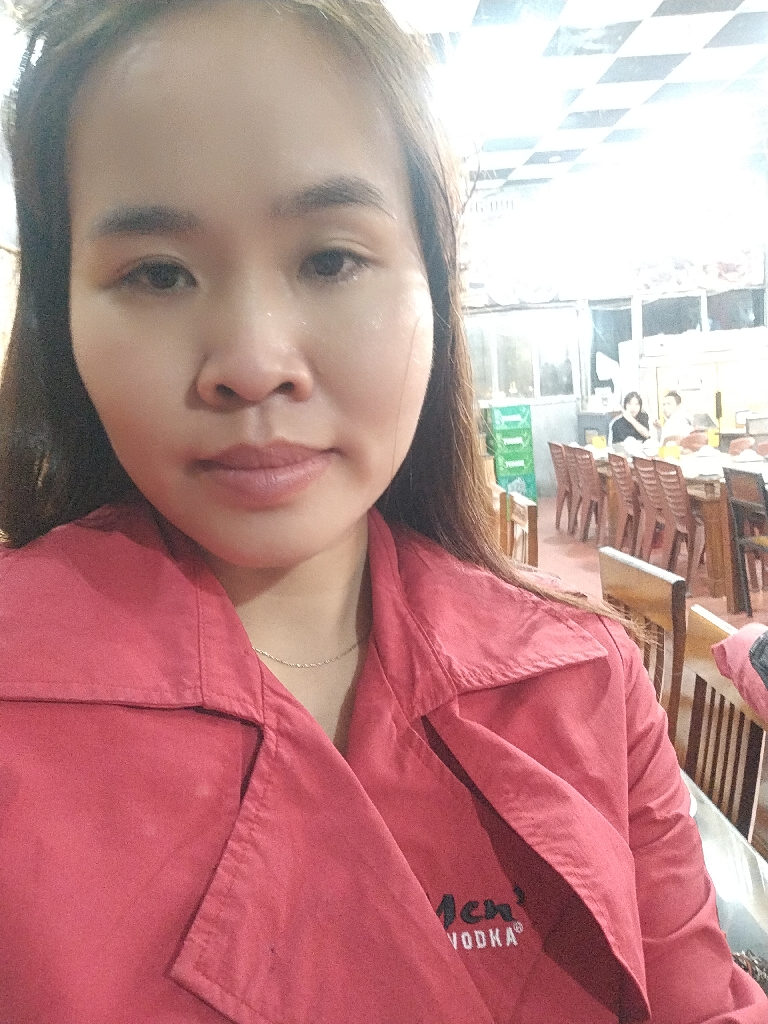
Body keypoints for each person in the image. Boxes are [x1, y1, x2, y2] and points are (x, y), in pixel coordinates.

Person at [0, 2, 764, 1021]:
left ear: (434, 289)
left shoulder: (583, 680)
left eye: (330, 259)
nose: (253, 363)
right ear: (62, 315)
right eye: (157, 273)